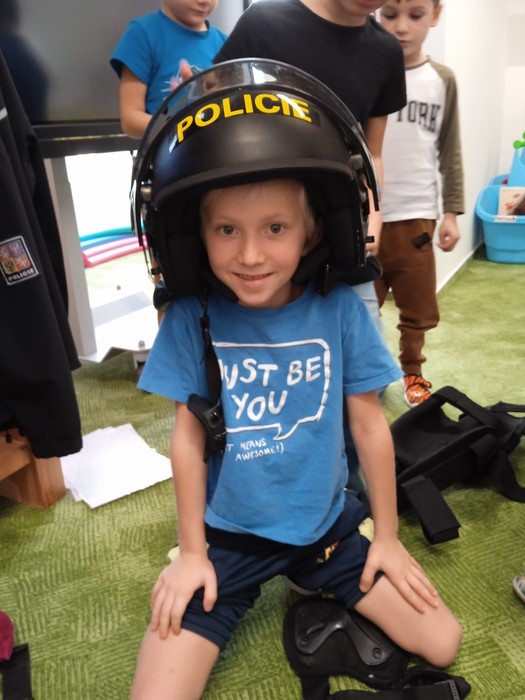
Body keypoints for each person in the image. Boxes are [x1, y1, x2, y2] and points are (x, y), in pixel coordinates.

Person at [128, 60, 462, 700]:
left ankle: (309, 575)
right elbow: (188, 441)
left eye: (275, 228)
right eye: (227, 230)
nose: (250, 255)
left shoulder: (340, 312)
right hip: (228, 541)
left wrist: (388, 539)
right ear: (196, 236)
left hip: (325, 534)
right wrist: (193, 552)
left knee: (443, 642)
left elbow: (370, 427)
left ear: (313, 231)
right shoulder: (193, 318)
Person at [213, 0, 407, 329]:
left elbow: (372, 153)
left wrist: (375, 214)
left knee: (365, 341)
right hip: (261, 222)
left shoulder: (386, 51)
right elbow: (214, 118)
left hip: (342, 226)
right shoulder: (263, 22)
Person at [375, 0, 464, 407]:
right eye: (390, 14)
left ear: (436, 14)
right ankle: (368, 373)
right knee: (361, 306)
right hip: (368, 219)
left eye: (415, 15)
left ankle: (413, 370)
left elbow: (450, 150)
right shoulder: (366, 73)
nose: (401, 27)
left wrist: (451, 213)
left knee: (417, 307)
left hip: (417, 218)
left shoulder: (441, 79)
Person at [110, 0, 227, 139]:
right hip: (168, 150)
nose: (204, 1)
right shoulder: (142, 33)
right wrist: (182, 125)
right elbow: (131, 120)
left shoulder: (225, 43)